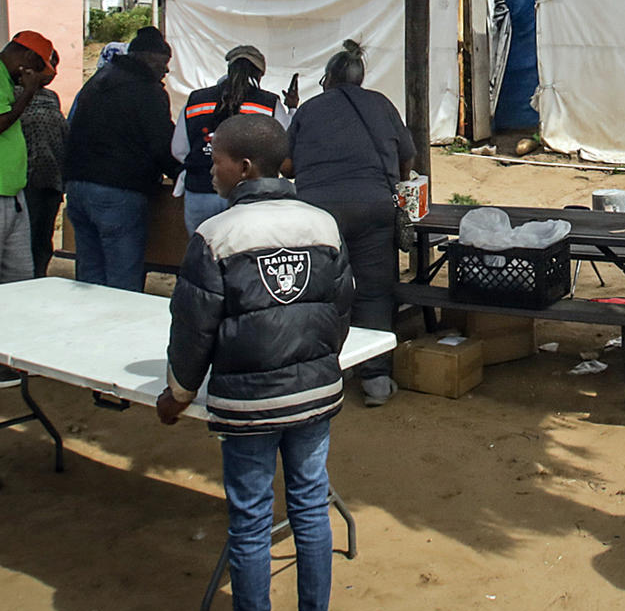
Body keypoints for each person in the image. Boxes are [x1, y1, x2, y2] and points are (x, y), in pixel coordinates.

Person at [158, 113, 354, 611]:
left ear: (243, 168)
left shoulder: (216, 236)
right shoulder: (323, 225)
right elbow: (341, 308)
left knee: (248, 524)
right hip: (314, 397)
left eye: (215, 157)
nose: (208, 165)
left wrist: (178, 395)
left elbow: (193, 329)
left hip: (248, 404)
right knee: (311, 510)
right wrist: (315, 363)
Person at [286, 41, 412, 406]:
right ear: (362, 78)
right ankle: (376, 379)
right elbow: (406, 158)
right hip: (374, 208)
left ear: (327, 79)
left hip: (319, 214)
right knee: (374, 292)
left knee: (323, 292)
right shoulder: (382, 105)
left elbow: (287, 167)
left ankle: (325, 372)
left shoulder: (308, 110)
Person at [63, 24, 180, 291]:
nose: (167, 70)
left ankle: (88, 329)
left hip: (78, 187)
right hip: (117, 192)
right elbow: (163, 144)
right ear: (148, 59)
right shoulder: (147, 91)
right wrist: (182, 173)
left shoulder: (97, 81)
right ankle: (118, 330)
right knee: (121, 282)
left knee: (89, 279)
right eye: (164, 63)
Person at [173, 44, 293, 235]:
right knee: (243, 257)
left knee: (203, 255)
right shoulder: (269, 103)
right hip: (249, 196)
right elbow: (283, 148)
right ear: (260, 74)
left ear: (229, 68)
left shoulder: (196, 99)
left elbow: (179, 149)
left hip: (200, 191)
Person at [1, 31, 57, 283]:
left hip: (13, 192)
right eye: (36, 66)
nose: (34, 74)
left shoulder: (7, 80)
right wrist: (28, 92)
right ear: (26, 55)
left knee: (21, 277)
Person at [19, 41, 68, 278]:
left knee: (42, 241)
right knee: (22, 243)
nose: (52, 73)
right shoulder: (15, 96)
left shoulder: (51, 97)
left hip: (50, 180)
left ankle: (39, 280)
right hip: (24, 180)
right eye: (48, 67)